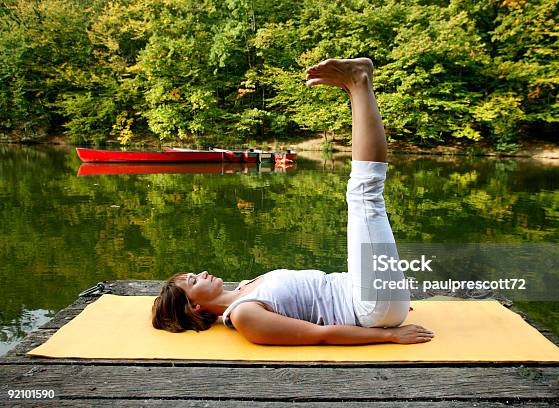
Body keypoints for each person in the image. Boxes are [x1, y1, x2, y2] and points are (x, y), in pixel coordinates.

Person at [152, 58, 435, 345]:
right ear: (194, 307)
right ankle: (359, 82)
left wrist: (382, 294)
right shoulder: (244, 315)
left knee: (364, 195)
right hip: (367, 309)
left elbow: (319, 293)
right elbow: (320, 335)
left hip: (363, 293)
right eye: (193, 281)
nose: (201, 273)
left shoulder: (245, 288)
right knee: (365, 193)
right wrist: (389, 335)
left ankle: (353, 87)